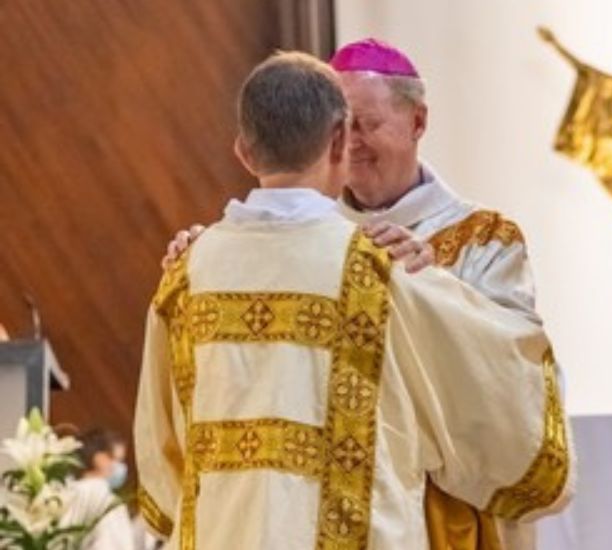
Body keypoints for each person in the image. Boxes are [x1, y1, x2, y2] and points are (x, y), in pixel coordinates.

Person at [136, 50, 572, 549]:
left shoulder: (189, 275)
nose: (359, 143)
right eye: (351, 127)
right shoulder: (374, 269)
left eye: (370, 124)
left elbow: (162, 454)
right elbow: (514, 410)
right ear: (335, 140)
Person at [61, 428, 135, 550]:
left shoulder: (65, 492)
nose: (122, 468)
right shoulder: (107, 500)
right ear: (100, 459)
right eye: (118, 460)